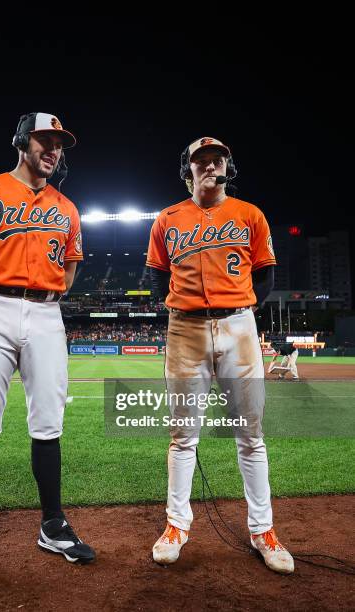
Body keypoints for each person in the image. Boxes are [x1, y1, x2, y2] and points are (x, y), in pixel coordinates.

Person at [0, 112, 94, 597]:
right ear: (21, 141)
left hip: (47, 315)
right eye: (44, 140)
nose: (53, 150)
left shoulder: (68, 208)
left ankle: (52, 525)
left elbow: (68, 274)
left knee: (48, 424)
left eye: (59, 144)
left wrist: (36, 297)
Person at [146, 136, 294, 574]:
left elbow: (265, 273)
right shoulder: (167, 219)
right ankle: (176, 525)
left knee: (250, 433)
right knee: (182, 434)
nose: (210, 166)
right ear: (187, 170)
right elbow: (155, 275)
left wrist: (242, 309)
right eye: (201, 162)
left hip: (239, 326)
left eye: (217, 160)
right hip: (185, 328)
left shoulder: (250, 214)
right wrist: (180, 310)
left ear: (228, 167)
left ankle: (262, 530)